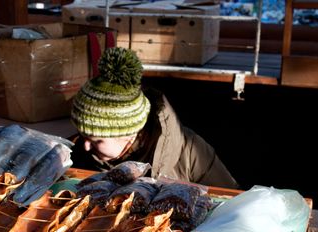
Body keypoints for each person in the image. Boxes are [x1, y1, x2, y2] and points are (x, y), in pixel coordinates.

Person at [70, 47, 239, 189]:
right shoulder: (81, 154)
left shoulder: (191, 153)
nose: (85, 146)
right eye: (83, 135)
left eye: (96, 140)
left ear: (130, 134)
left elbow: (229, 201)